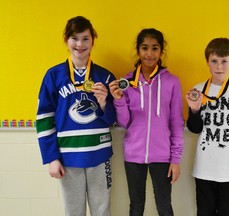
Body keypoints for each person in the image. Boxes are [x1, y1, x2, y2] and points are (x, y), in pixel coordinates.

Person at [36, 16, 116, 216]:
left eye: (85, 38)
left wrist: (104, 103)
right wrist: (51, 158)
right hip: (67, 157)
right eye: (74, 38)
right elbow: (44, 118)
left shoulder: (105, 77)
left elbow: (115, 119)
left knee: (102, 210)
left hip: (100, 154)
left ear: (93, 41)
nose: (80, 44)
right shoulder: (53, 76)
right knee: (73, 212)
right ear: (66, 40)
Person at [109, 28, 184, 216]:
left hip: (162, 155)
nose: (149, 54)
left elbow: (176, 122)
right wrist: (118, 99)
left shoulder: (172, 82)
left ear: (161, 51)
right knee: (136, 206)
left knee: (164, 206)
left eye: (154, 48)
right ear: (138, 50)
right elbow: (124, 123)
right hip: (134, 154)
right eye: (144, 48)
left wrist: (175, 159)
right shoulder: (127, 82)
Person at [185, 38, 229, 216]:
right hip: (204, 165)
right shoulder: (198, 90)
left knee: (227, 211)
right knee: (204, 211)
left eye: (224, 61)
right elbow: (195, 128)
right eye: (214, 61)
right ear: (207, 61)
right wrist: (194, 110)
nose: (219, 67)